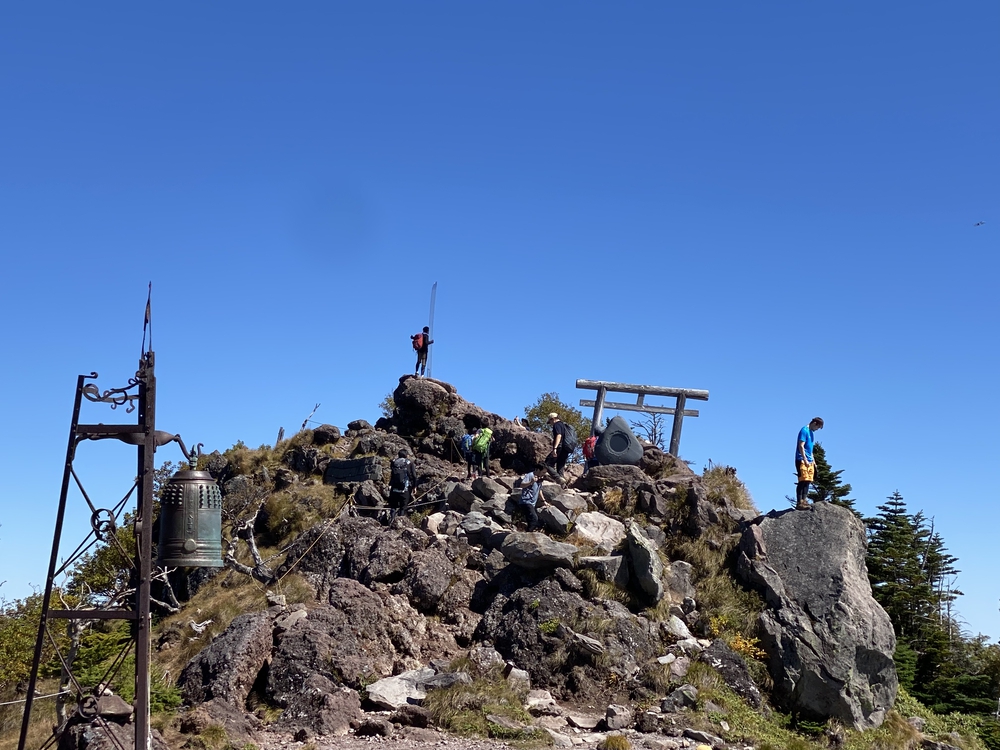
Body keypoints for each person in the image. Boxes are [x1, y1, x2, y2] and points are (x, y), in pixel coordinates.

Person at [794, 417, 824, 509]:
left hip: (810, 460)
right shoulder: (804, 430)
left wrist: (814, 462)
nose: (817, 429)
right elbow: (801, 446)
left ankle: (804, 500)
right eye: (817, 427)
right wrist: (804, 459)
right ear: (814, 423)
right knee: (802, 480)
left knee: (808, 481)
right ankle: (799, 502)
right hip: (802, 459)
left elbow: (810, 450)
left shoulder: (811, 433)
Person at [388, 449, 418, 522]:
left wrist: (390, 484)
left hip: (394, 488)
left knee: (393, 507)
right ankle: (399, 523)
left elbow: (392, 475)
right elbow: (414, 476)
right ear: (406, 455)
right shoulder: (409, 463)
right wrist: (414, 486)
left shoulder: (394, 462)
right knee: (403, 507)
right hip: (405, 489)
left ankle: (391, 520)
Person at [546, 412, 572, 483]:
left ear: (553, 419)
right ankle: (562, 484)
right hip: (566, 448)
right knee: (560, 466)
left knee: (547, 464)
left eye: (550, 421)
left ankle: (557, 478)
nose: (551, 424)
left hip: (559, 447)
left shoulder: (556, 425)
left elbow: (559, 435)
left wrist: (555, 448)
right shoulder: (564, 425)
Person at [518, 467, 544, 532]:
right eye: (543, 472)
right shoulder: (530, 475)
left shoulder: (539, 478)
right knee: (534, 519)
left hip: (532, 503)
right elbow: (521, 485)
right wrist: (531, 482)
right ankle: (528, 534)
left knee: (531, 521)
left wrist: (544, 501)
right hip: (526, 501)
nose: (544, 474)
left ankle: (527, 533)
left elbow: (539, 491)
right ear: (538, 470)